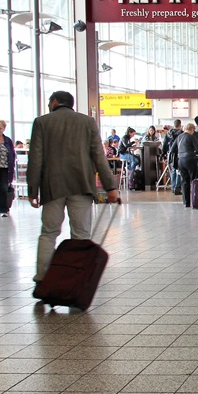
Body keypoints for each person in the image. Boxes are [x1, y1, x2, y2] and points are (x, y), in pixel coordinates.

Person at [27, 91, 118, 283]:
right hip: (81, 185)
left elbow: (35, 158)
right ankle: (77, 277)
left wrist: (32, 190)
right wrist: (110, 187)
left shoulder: (42, 122)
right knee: (81, 235)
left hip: (52, 187)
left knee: (49, 233)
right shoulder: (87, 122)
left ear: (54, 102)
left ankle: (42, 277)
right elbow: (99, 157)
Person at [175, 123, 198, 207]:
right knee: (193, 181)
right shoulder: (191, 137)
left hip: (180, 160)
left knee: (185, 182)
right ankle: (194, 200)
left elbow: (173, 149)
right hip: (190, 159)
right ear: (192, 129)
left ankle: (186, 202)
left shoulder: (179, 137)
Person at [163, 120, 184, 194]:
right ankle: (177, 188)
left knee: (173, 170)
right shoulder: (181, 133)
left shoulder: (168, 133)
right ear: (180, 125)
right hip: (179, 153)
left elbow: (164, 144)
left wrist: (164, 154)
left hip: (170, 153)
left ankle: (173, 186)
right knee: (179, 170)